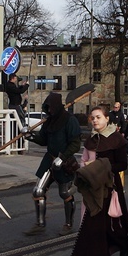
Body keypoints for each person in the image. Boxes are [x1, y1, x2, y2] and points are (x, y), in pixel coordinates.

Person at [68, 106, 128, 256]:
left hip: (110, 187)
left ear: (107, 119)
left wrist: (101, 167)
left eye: (98, 117)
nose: (95, 120)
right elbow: (84, 160)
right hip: (92, 187)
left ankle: (122, 246)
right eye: (92, 117)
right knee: (93, 226)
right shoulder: (90, 140)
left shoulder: (115, 139)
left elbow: (122, 164)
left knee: (112, 225)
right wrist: (85, 169)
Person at [23, 92, 82, 236]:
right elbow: (43, 140)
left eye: (51, 107)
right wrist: (30, 136)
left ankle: (68, 224)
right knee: (38, 191)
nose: (49, 110)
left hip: (65, 161)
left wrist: (62, 157)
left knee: (65, 193)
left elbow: (75, 143)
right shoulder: (49, 121)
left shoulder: (70, 120)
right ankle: (40, 224)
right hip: (49, 159)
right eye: (47, 108)